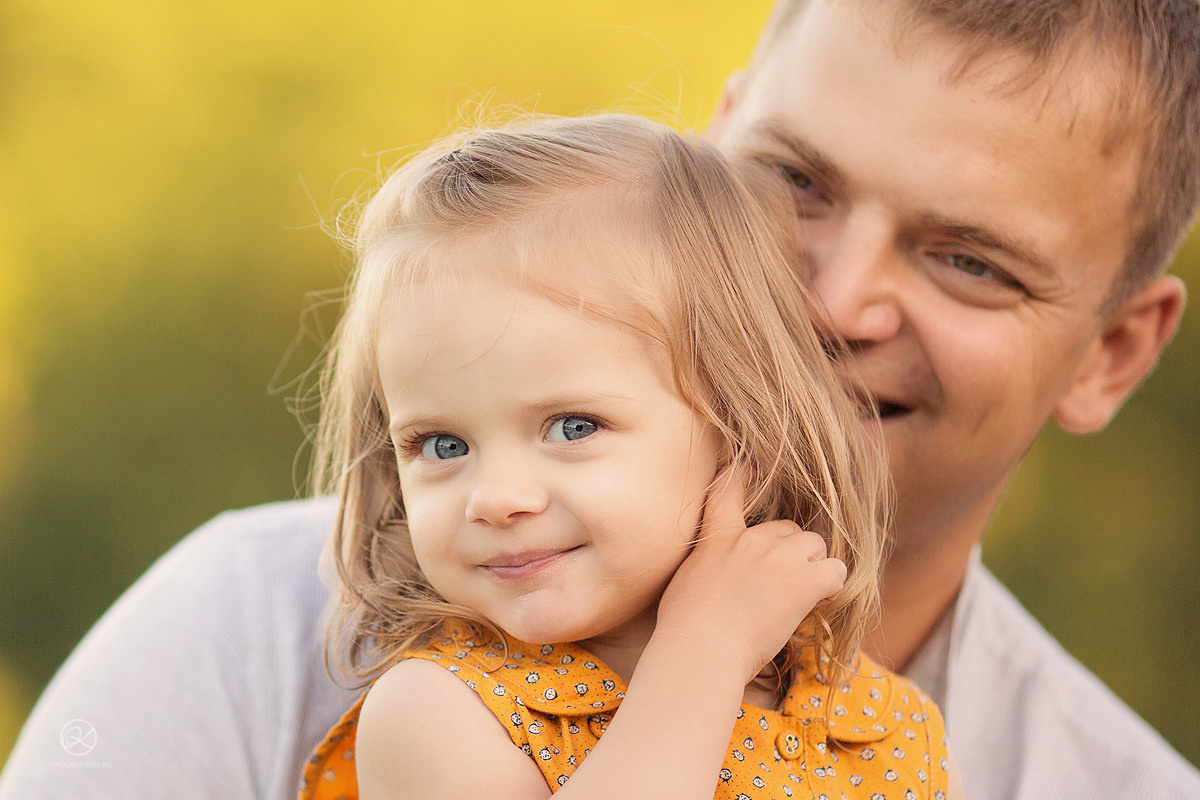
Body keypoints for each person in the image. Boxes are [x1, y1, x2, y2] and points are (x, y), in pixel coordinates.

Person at [2, 1, 1198, 798]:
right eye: (792, 180)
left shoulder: (1028, 764)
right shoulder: (248, 637)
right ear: (711, 148)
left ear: (1114, 354)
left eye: (970, 260)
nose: (833, 302)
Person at [294, 112, 958, 799]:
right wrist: (703, 649)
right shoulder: (438, 714)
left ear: (742, 428)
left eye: (573, 427)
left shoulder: (882, 729)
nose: (494, 497)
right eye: (443, 445)